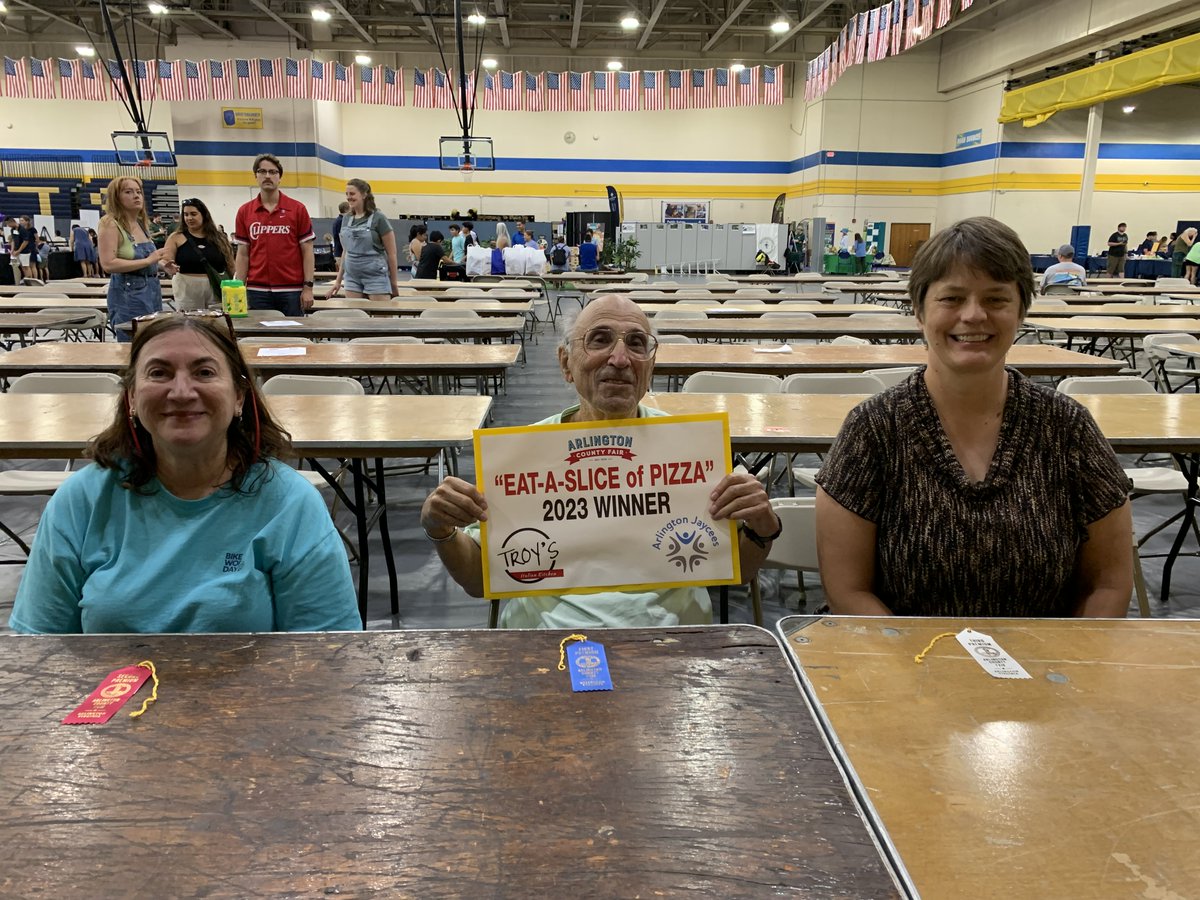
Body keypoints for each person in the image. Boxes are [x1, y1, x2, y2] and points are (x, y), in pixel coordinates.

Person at [815, 216, 1132, 618]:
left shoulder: (1068, 427)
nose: (974, 315)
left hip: (1048, 672)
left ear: (1020, 312)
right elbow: (847, 592)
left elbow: (1108, 584)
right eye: (951, 298)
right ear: (919, 310)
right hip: (901, 670)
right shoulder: (873, 429)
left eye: (996, 299)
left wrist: (1067, 670)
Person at [420, 294, 780, 629]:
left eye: (637, 343)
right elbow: (479, 580)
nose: (620, 359)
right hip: (544, 641)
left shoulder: (689, 449)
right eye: (599, 339)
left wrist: (762, 525)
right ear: (566, 363)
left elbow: (738, 569)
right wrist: (441, 529)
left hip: (673, 639)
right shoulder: (522, 455)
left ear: (650, 365)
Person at [9, 311, 361, 634]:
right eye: (159, 373)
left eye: (204, 372)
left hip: (252, 702)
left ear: (239, 397)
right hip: (112, 702)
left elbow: (328, 655)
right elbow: (40, 647)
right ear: (131, 398)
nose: (180, 391)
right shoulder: (81, 502)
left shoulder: (290, 505)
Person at [233, 153, 316, 317]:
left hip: (291, 289)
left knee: (293, 338)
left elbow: (307, 251)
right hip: (257, 290)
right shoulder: (244, 212)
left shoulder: (298, 209)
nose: (267, 176)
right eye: (262, 171)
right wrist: (239, 289)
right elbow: (243, 254)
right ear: (256, 176)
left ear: (280, 177)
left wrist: (308, 287)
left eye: (273, 172)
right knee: (262, 338)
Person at [98, 176, 166, 340]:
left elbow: (148, 259)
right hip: (129, 293)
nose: (136, 196)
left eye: (138, 192)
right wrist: (149, 261)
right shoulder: (110, 223)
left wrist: (162, 264)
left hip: (152, 289)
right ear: (116, 198)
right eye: (128, 192)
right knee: (133, 343)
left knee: (154, 341)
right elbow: (108, 264)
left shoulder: (141, 223)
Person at [327, 179, 399, 302]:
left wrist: (393, 284)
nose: (349, 197)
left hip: (376, 278)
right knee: (355, 318)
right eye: (347, 194)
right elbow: (346, 251)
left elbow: (392, 254)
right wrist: (338, 281)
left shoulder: (379, 218)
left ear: (364, 194)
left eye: (352, 194)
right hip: (351, 278)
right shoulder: (346, 219)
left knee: (381, 318)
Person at [160, 198, 235, 311]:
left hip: (215, 286)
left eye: (193, 214)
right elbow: (165, 259)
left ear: (204, 215)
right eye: (186, 215)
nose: (189, 218)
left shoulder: (219, 238)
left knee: (217, 323)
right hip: (186, 288)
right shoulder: (176, 237)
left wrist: (237, 285)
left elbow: (231, 265)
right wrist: (166, 265)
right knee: (189, 323)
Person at [14, 215, 37, 280]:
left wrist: (36, 246)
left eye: (22, 220)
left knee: (32, 265)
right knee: (24, 265)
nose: (20, 222)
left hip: (31, 247)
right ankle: (27, 278)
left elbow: (37, 239)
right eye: (20, 220)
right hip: (24, 248)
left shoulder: (32, 229)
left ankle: (35, 279)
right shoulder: (20, 229)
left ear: (27, 221)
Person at [330, 200, 350, 269]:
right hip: (341, 253)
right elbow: (342, 238)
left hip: (339, 252)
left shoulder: (338, 220)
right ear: (346, 209)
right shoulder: (342, 221)